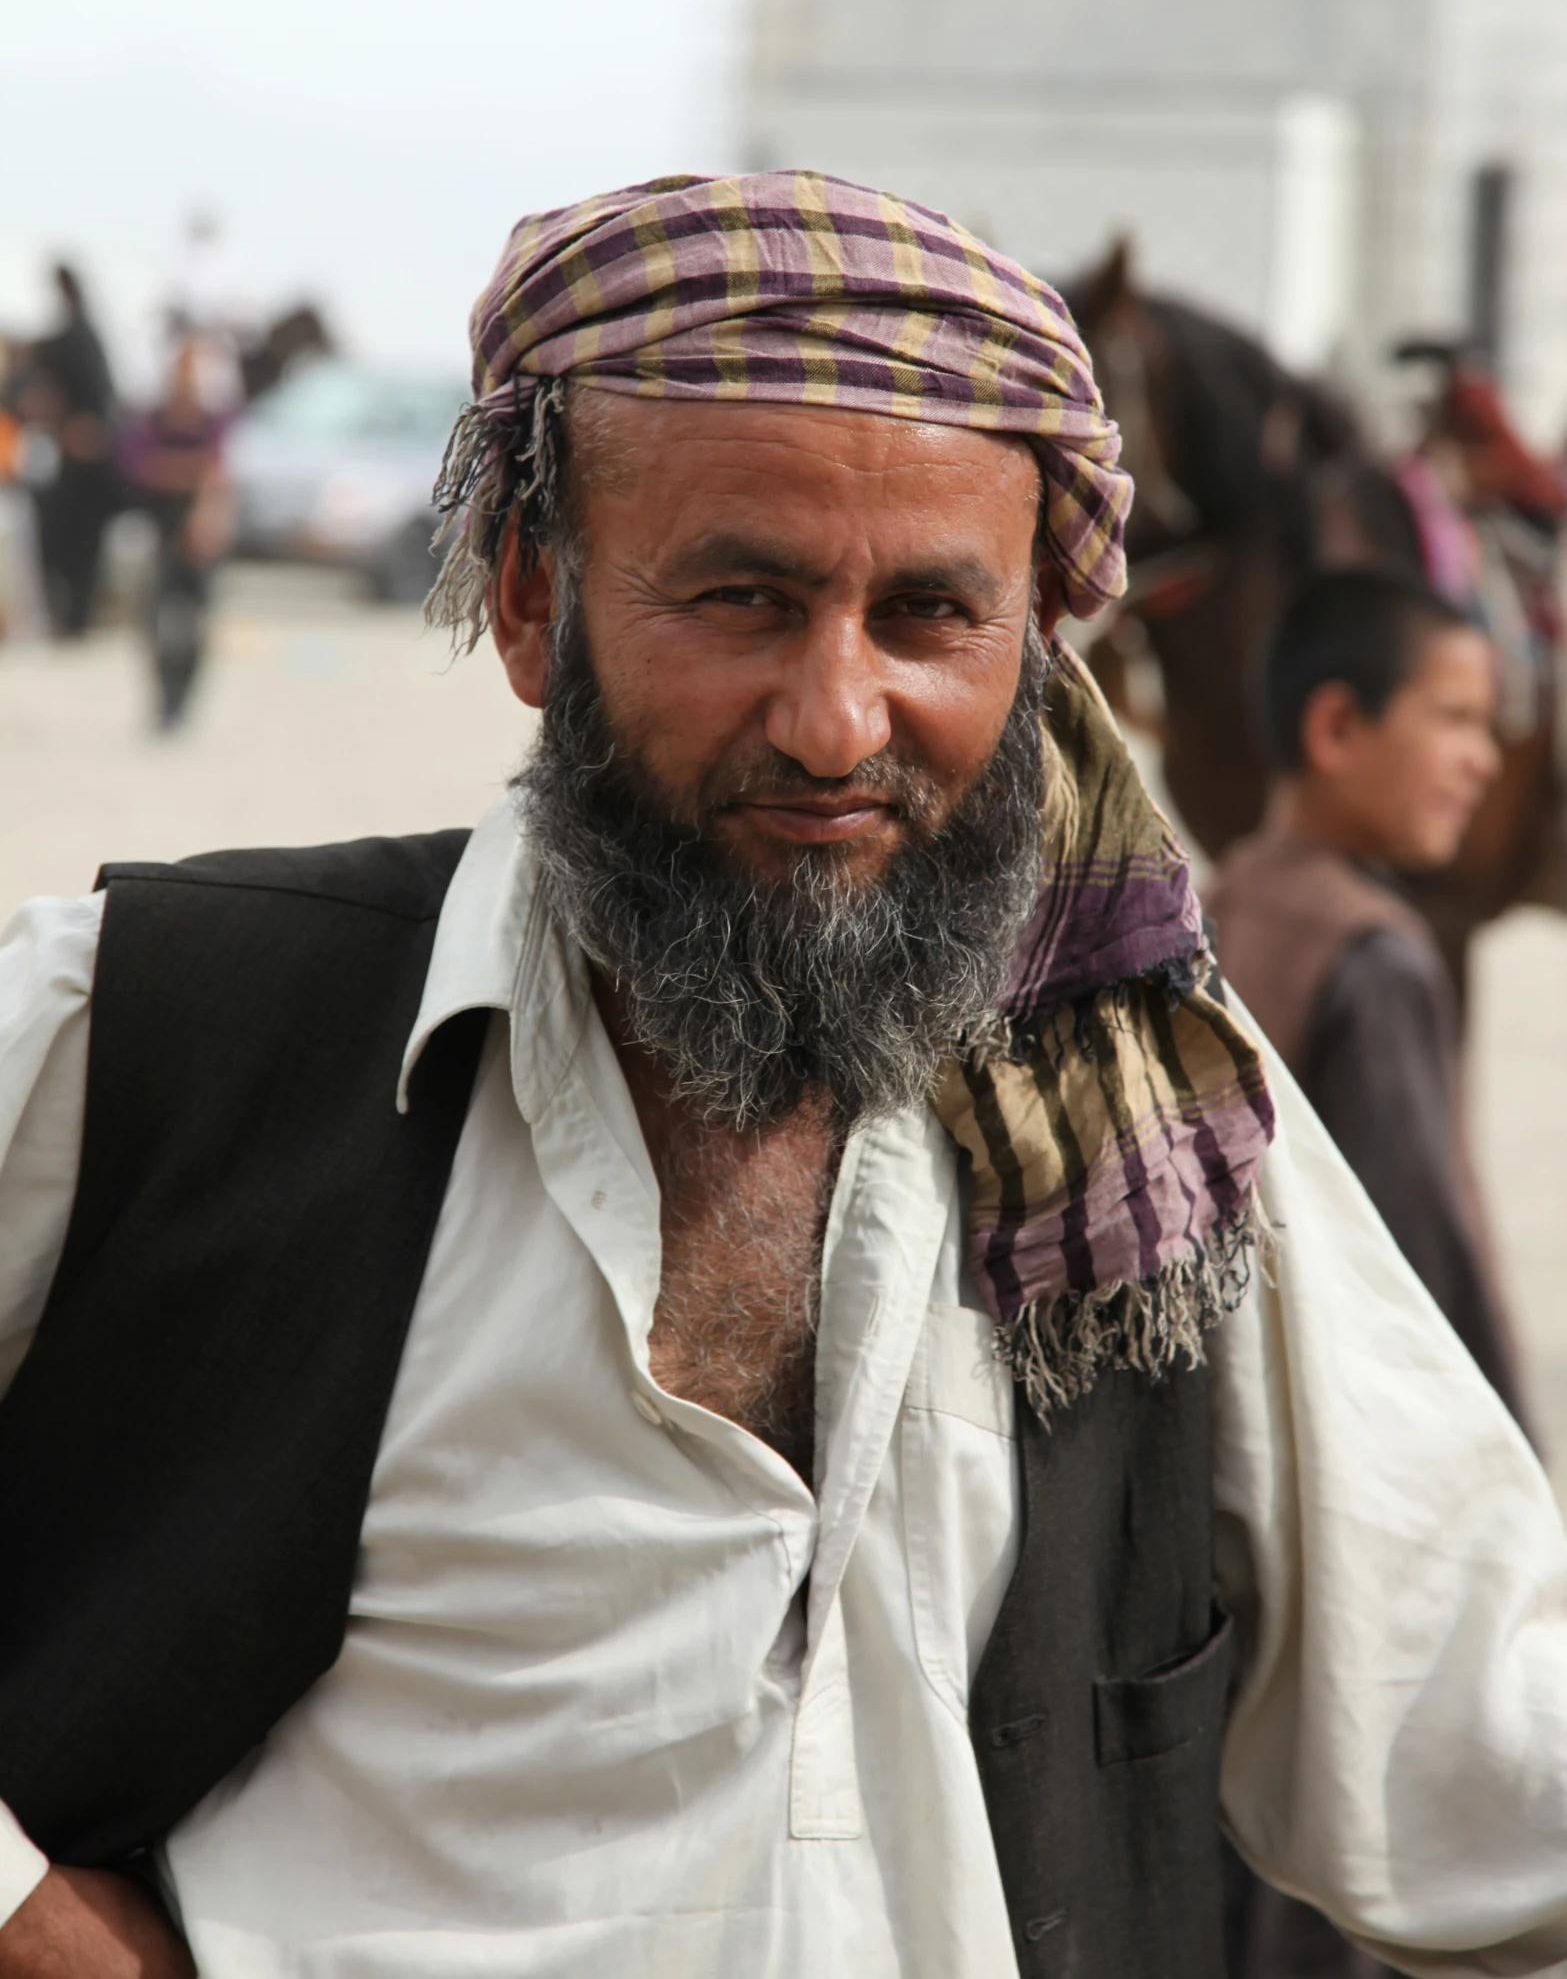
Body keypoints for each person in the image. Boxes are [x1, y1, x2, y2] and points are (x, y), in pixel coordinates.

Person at [0, 175, 1565, 1979]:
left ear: (1038, 641)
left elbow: (1478, 1743)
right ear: (531, 598)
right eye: (743, 598)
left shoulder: (1150, 1144)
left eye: (927, 618)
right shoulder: (166, 1023)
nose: (837, 721)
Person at [1206, 567, 1533, 1979]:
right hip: (1342, 1545)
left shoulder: (1225, 901)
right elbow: (1433, 1311)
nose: (1484, 757)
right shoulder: (1375, 957)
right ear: (1335, 726)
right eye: (1454, 718)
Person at [120, 325, 237, 729]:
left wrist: (204, 513)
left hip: (200, 532)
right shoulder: (153, 420)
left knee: (196, 623)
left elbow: (219, 477)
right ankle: (164, 699)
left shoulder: (213, 421)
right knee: (155, 622)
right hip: (160, 531)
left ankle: (183, 703)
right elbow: (141, 468)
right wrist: (193, 473)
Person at [15, 264, 119, 638]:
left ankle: (77, 617)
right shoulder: (69, 337)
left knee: (81, 543)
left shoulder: (79, 337)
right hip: (66, 455)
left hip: (86, 458)